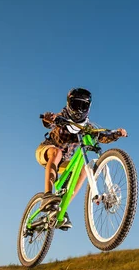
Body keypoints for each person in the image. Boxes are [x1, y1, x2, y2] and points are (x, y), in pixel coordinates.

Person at [35, 88, 127, 230]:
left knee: (84, 169)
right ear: (69, 104)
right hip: (46, 152)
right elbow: (50, 122)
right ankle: (47, 195)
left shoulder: (86, 126)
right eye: (75, 105)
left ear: (88, 108)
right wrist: (49, 119)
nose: (79, 110)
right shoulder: (62, 117)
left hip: (63, 163)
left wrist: (116, 134)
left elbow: (101, 136)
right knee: (57, 152)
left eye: (82, 106)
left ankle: (61, 208)